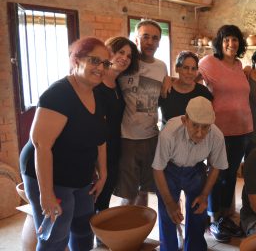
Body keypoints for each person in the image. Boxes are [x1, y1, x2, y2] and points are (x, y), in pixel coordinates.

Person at [20, 37, 109, 250]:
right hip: (51, 174)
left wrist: (103, 173)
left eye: (105, 63)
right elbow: (41, 145)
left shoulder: (97, 92)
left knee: (83, 228)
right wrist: (47, 194)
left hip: (80, 175)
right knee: (55, 235)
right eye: (95, 60)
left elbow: (100, 138)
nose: (101, 68)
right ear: (76, 60)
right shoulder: (59, 94)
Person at [152, 97, 228, 251]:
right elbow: (158, 169)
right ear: (185, 120)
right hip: (169, 170)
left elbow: (215, 167)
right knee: (168, 214)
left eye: (205, 127)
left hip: (195, 170)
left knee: (198, 211)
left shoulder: (217, 136)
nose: (200, 133)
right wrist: (169, 202)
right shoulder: (169, 134)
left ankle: (195, 247)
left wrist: (205, 195)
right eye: (195, 125)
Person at [198, 24, 252, 242]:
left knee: (230, 175)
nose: (232, 43)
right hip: (219, 130)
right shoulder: (209, 63)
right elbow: (189, 77)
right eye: (227, 39)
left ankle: (224, 217)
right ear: (220, 43)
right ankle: (213, 219)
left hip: (242, 129)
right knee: (216, 173)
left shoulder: (240, 66)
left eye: (235, 39)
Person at [114, 19, 168, 206]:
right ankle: (123, 234)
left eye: (155, 38)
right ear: (136, 39)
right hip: (127, 138)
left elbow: (163, 92)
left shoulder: (161, 66)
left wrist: (170, 81)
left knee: (145, 191)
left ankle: (139, 234)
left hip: (151, 137)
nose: (150, 42)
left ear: (159, 42)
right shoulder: (125, 64)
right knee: (128, 194)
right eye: (145, 37)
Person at [94, 36, 139, 214]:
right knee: (92, 199)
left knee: (104, 199)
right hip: (96, 150)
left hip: (113, 148)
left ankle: (101, 239)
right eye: (121, 52)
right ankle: (88, 238)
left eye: (129, 56)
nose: (125, 58)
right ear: (109, 52)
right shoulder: (96, 83)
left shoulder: (118, 83)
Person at [159, 51, 213, 125]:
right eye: (185, 68)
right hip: (168, 135)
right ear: (177, 69)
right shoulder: (166, 89)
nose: (190, 72)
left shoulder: (202, 92)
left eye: (193, 69)